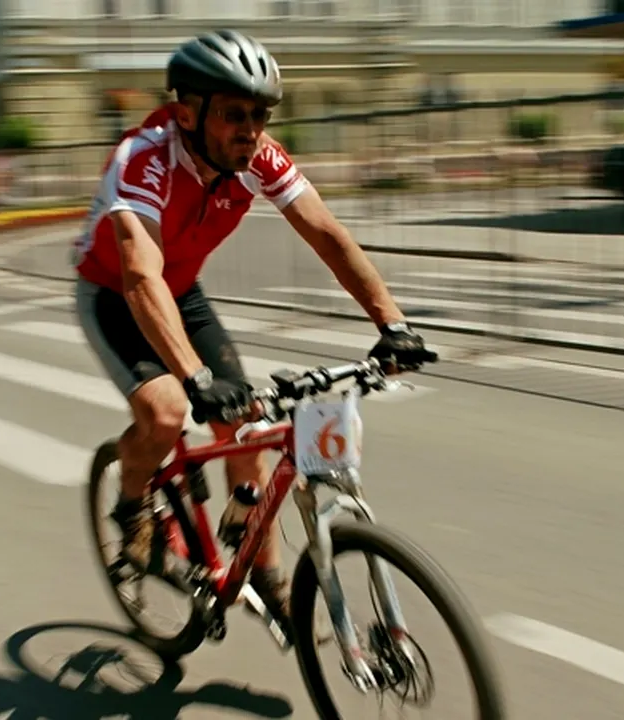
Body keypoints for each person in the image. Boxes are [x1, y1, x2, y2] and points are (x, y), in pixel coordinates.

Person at [73, 29, 436, 633]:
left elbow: (326, 233)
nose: (251, 130)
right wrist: (192, 377)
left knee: (247, 426)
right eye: (234, 114)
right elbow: (139, 276)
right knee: (166, 414)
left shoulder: (258, 156)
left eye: (260, 115)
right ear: (188, 112)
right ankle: (132, 503)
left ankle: (263, 575)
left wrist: (391, 323)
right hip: (116, 294)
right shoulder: (144, 157)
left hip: (180, 290)